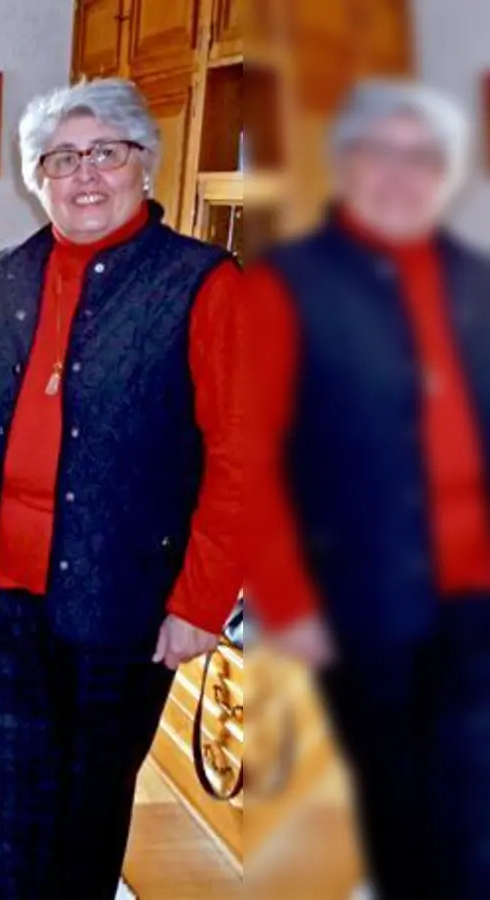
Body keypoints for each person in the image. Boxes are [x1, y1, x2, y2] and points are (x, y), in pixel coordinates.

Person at [0, 78, 245, 899]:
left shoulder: (202, 284)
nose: (84, 174)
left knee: (88, 805)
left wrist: (200, 602)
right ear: (36, 176)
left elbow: (242, 456)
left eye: (105, 153)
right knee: (10, 801)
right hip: (5, 585)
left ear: (144, 165)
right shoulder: (6, 275)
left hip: (124, 596)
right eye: (62, 158)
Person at [249, 81, 490, 900]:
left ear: (447, 173)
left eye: (421, 157)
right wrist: (288, 600)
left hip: (477, 590)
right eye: (379, 153)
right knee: (401, 806)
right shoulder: (294, 284)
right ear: (346, 164)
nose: (401, 174)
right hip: (364, 598)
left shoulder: (471, 277)